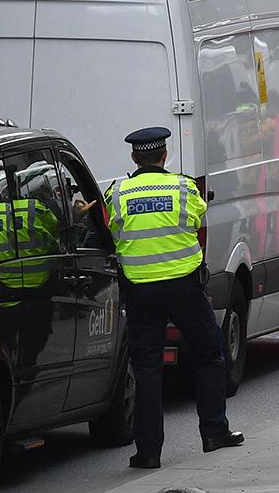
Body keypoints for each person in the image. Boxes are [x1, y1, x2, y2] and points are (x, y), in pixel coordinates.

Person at [106, 127, 241, 469]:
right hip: (184, 287)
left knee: (147, 368)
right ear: (164, 155)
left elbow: (111, 230)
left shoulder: (118, 192)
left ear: (134, 157)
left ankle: (148, 452)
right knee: (209, 355)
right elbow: (197, 217)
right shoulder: (182, 187)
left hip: (141, 289)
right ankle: (214, 432)